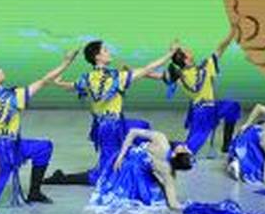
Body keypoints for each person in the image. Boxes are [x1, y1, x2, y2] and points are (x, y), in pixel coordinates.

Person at [45, 40, 177, 186]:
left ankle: (157, 157)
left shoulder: (87, 78)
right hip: (110, 129)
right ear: (98, 57)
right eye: (105, 51)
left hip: (111, 124)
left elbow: (71, 86)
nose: (109, 53)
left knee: (141, 126)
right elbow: (147, 68)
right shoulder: (116, 77)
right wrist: (170, 54)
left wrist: (59, 82)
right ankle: (61, 178)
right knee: (102, 176)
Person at [0, 46, 78, 206]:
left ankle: (34, 193)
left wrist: (66, 62)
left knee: (43, 148)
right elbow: (44, 80)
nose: (0, 70)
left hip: (16, 146)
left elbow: (44, 81)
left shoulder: (10, 95)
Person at [161, 22, 242, 155]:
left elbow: (221, 48)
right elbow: (221, 47)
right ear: (186, 60)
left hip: (213, 106)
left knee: (232, 107)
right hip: (202, 113)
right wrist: (232, 33)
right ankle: (165, 146)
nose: (189, 50)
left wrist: (232, 33)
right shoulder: (193, 72)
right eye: (187, 51)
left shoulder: (193, 71)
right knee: (190, 148)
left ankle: (226, 144)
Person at [88, 127, 193, 213]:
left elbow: (133, 132)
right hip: (132, 169)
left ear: (176, 154)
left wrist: (121, 156)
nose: (186, 147)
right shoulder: (168, 174)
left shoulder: (161, 140)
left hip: (127, 166)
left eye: (185, 149)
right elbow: (173, 204)